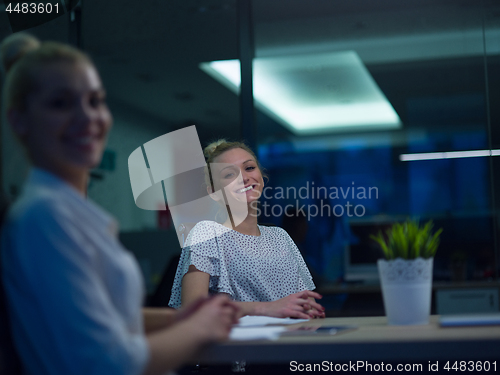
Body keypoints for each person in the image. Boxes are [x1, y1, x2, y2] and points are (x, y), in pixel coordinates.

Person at [0, 33, 239, 375]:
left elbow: (99, 316)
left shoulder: (68, 213)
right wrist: (199, 328)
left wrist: (176, 318)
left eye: (95, 101)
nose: (87, 118)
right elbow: (103, 363)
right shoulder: (44, 217)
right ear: (19, 120)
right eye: (60, 103)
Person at [168, 140, 325, 319]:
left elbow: (303, 302)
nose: (243, 177)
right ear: (214, 192)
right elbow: (193, 309)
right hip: (239, 344)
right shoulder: (207, 234)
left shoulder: (280, 237)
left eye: (249, 168)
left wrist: (308, 309)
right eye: (229, 174)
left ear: (262, 179)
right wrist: (266, 308)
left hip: (291, 340)